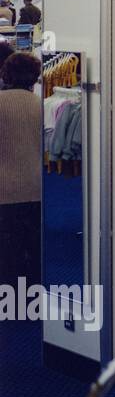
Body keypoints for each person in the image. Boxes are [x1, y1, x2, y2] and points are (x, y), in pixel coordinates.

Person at [0, 51, 42, 288]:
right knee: (33, 248)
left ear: (6, 74)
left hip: (4, 191)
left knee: (7, 254)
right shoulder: (42, 106)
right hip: (35, 188)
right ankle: (31, 302)